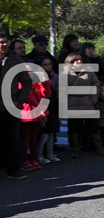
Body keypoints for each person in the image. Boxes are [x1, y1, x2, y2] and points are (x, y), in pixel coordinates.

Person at [1, 32, 33, 179]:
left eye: (5, 42)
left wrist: (19, 100)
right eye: (1, 42)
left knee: (12, 139)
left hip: (10, 106)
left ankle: (14, 169)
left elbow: (27, 82)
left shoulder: (16, 61)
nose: (4, 45)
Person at [62, 53, 101, 158]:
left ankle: (99, 147)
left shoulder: (88, 71)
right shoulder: (64, 73)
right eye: (75, 60)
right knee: (74, 127)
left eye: (80, 59)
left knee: (94, 125)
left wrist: (93, 99)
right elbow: (60, 90)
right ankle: (75, 149)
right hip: (73, 103)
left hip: (87, 101)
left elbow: (96, 84)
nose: (78, 62)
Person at [18, 57, 51, 170]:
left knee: (33, 139)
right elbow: (27, 96)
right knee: (25, 139)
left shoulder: (37, 82)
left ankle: (34, 159)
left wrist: (45, 82)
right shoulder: (20, 82)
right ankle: (24, 160)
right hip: (26, 113)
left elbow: (46, 95)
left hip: (36, 114)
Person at [35, 56, 61, 163]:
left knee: (51, 133)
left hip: (53, 105)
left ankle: (50, 153)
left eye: (49, 64)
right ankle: (39, 154)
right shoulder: (37, 77)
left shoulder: (54, 76)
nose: (48, 66)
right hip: (43, 105)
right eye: (45, 64)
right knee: (43, 134)